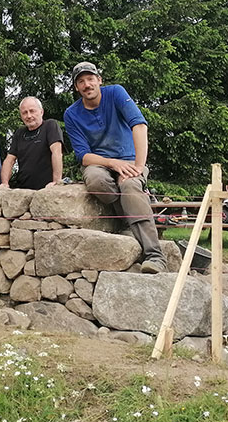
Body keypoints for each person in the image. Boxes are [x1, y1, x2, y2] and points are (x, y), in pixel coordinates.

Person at [63, 62, 166, 273]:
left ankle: (155, 257)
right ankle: (129, 212)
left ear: (99, 80)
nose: (87, 84)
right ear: (76, 88)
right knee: (95, 180)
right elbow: (83, 156)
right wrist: (112, 164)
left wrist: (138, 166)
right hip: (100, 165)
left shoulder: (116, 93)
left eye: (90, 79)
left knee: (130, 186)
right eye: (81, 81)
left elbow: (139, 125)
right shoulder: (71, 114)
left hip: (130, 160)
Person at [0, 97, 64, 190]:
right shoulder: (19, 132)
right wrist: (4, 183)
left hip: (46, 189)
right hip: (23, 190)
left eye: (32, 111)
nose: (29, 116)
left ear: (41, 112)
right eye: (24, 113)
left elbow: (57, 152)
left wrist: (56, 182)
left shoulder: (50, 125)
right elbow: (10, 160)